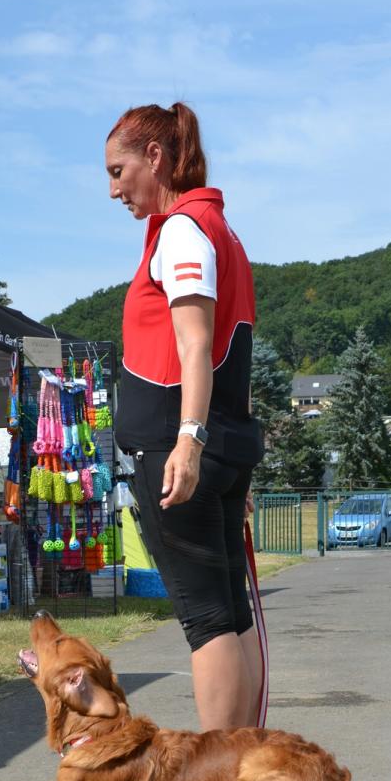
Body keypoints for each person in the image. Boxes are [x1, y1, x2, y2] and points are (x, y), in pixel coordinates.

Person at [106, 101, 264, 731]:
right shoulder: (221, 231)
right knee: (231, 612)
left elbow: (196, 344)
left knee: (207, 620)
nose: (114, 189)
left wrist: (190, 443)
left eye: (118, 171)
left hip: (179, 451)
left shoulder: (183, 231)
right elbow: (236, 352)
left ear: (155, 157)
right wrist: (229, 456)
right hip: (220, 444)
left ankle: (223, 776)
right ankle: (248, 769)